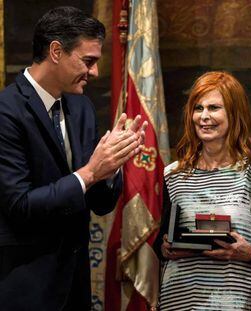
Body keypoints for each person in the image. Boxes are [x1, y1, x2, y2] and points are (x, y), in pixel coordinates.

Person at [0, 6, 147, 310]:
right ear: (56, 51)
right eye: (88, 61)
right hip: (24, 288)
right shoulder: (6, 111)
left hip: (76, 286)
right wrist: (91, 172)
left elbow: (100, 203)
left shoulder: (81, 108)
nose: (94, 72)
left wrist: (112, 166)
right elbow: (19, 206)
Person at [154, 71, 251, 310]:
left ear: (234, 113)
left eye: (214, 108)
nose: (204, 116)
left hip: (243, 300)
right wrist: (165, 247)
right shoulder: (173, 175)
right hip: (184, 300)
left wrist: (250, 253)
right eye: (198, 108)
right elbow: (162, 242)